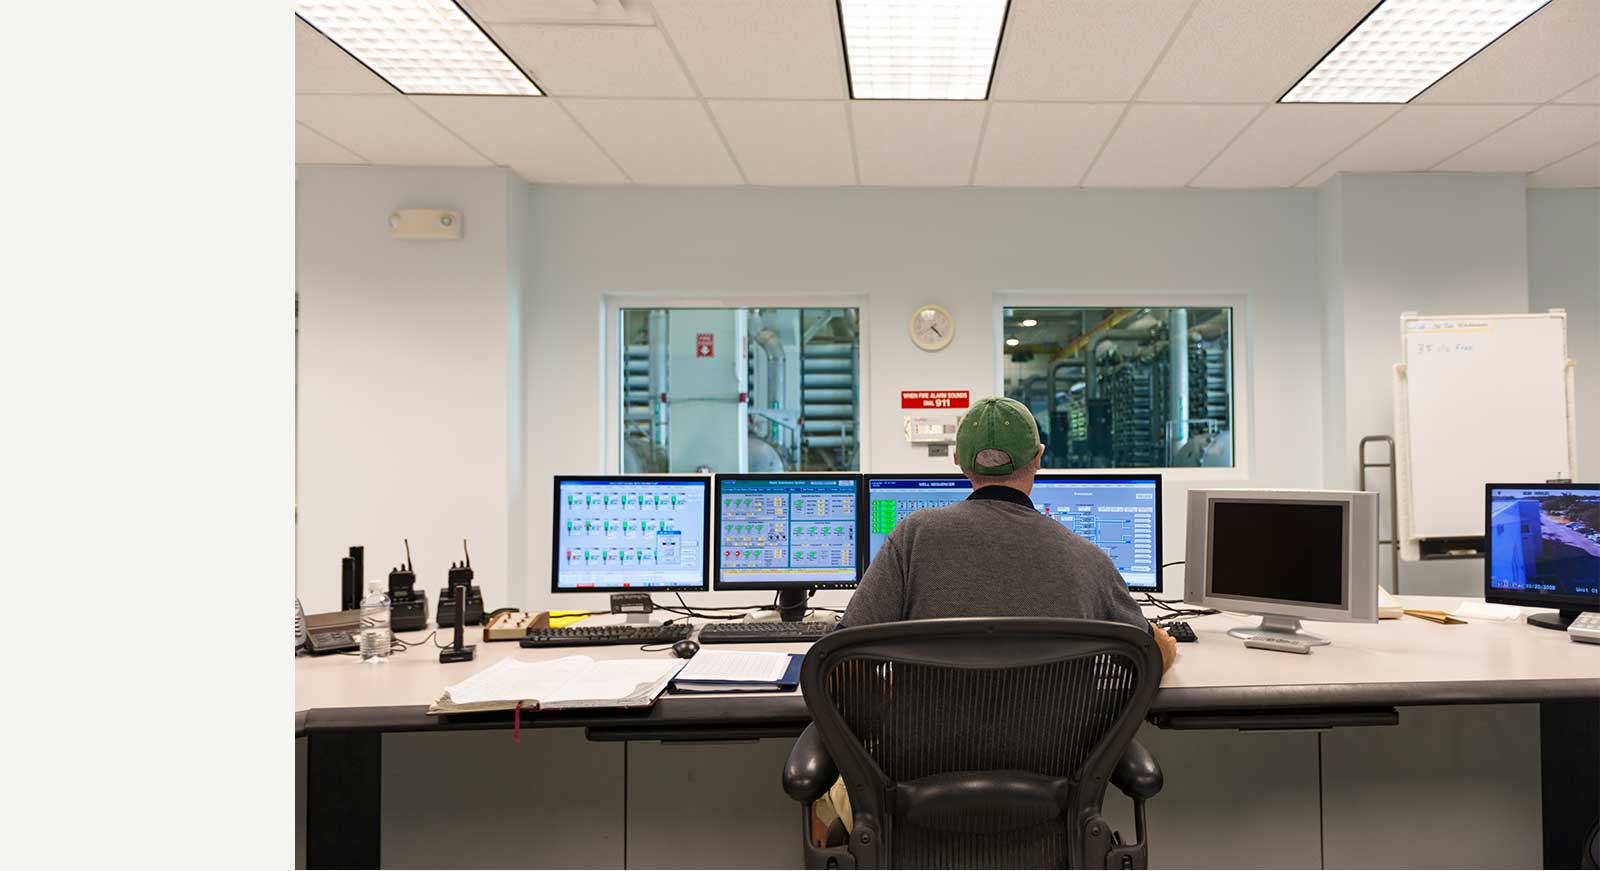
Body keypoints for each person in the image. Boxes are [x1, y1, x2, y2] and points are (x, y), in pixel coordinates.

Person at [813, 396, 1177, 841]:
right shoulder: (1089, 559)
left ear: (959, 462)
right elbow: (1148, 654)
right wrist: (1168, 642)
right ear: (1039, 458)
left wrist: (898, 683)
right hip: (1046, 809)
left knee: (824, 795)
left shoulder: (913, 537)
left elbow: (838, 664)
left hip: (914, 803)